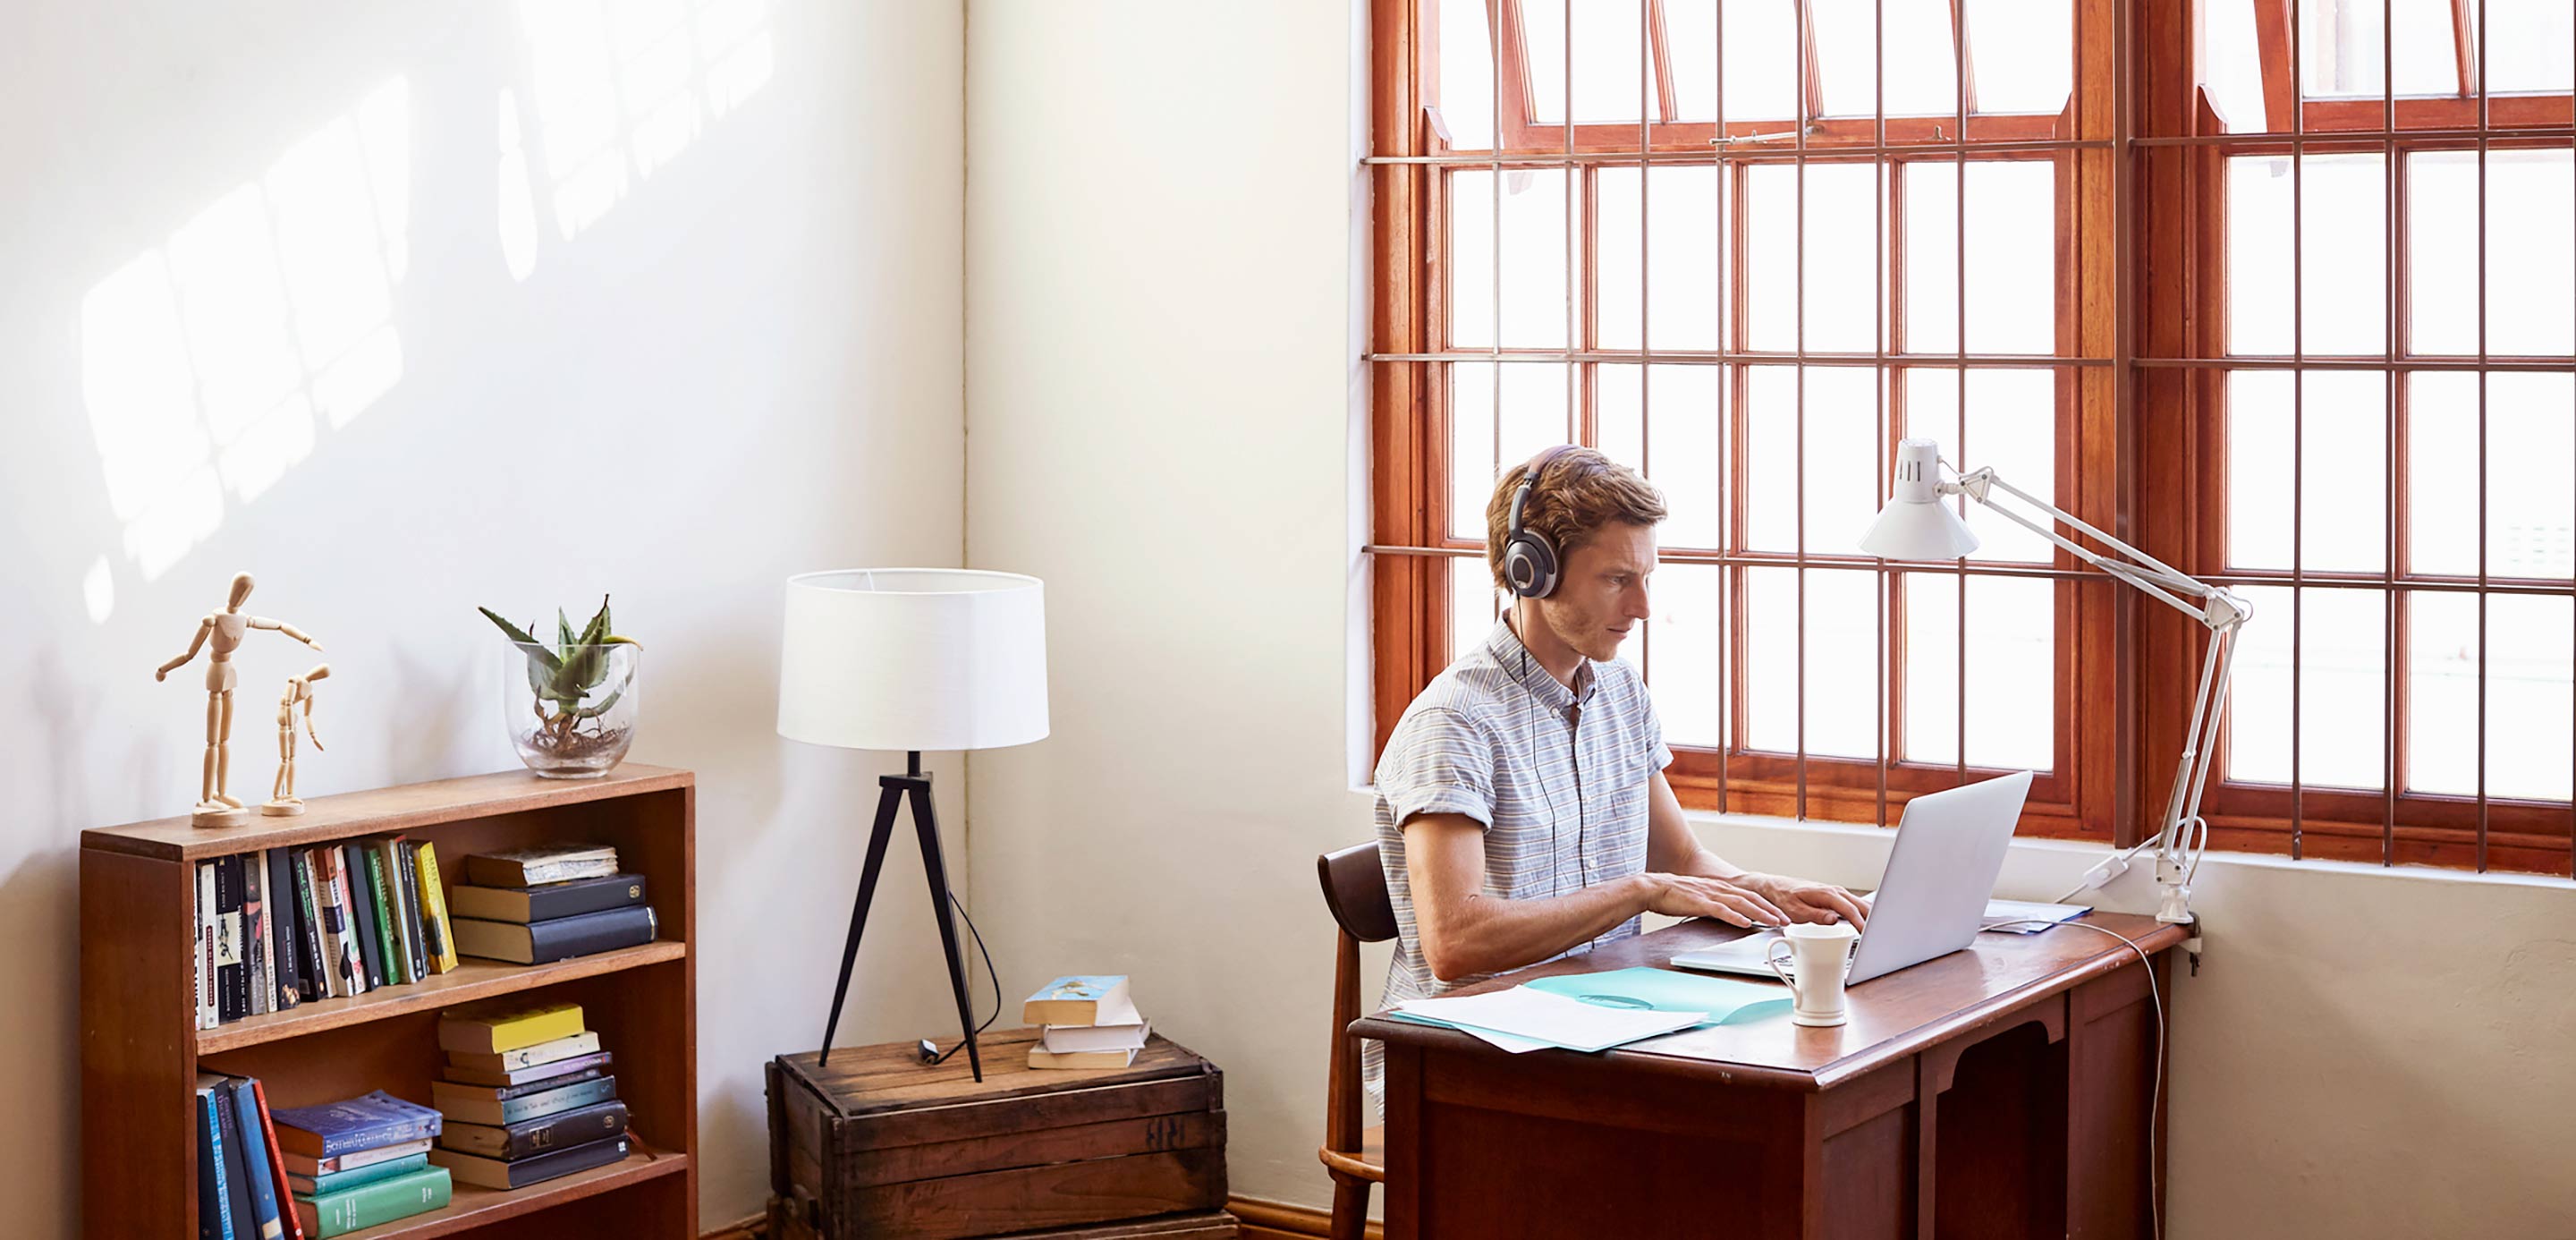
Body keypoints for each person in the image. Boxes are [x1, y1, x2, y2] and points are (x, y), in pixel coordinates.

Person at [1368, 446, 1868, 1088]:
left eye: (1646, 577)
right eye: (1616, 580)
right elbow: (1455, 941)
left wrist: (1771, 894)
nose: (1642, 607)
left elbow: (1679, 861)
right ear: (1532, 573)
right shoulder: (1454, 723)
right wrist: (1636, 891)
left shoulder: (1619, 689)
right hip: (1468, 1060)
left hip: (1597, 1028)